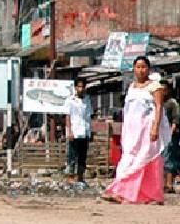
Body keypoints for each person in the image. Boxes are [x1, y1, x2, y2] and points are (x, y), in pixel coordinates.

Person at [103, 56, 172, 204]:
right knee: (128, 158)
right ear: (134, 69)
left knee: (146, 158)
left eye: (144, 67)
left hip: (147, 129)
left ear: (148, 69)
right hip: (132, 130)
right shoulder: (131, 87)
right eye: (138, 67)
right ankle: (121, 191)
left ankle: (151, 195)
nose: (141, 70)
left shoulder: (155, 86)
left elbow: (159, 107)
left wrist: (155, 128)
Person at [64, 78, 93, 185]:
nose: (81, 89)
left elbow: (88, 116)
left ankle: (80, 177)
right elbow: (68, 117)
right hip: (74, 131)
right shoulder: (70, 100)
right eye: (79, 87)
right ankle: (70, 177)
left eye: (82, 87)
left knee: (82, 156)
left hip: (84, 131)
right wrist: (69, 131)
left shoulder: (87, 100)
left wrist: (90, 131)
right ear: (75, 88)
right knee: (72, 155)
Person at [164, 79, 180, 194]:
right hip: (161, 135)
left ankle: (169, 184)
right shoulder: (160, 102)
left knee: (169, 158)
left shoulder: (172, 102)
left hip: (171, 134)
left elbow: (176, 118)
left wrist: (171, 130)